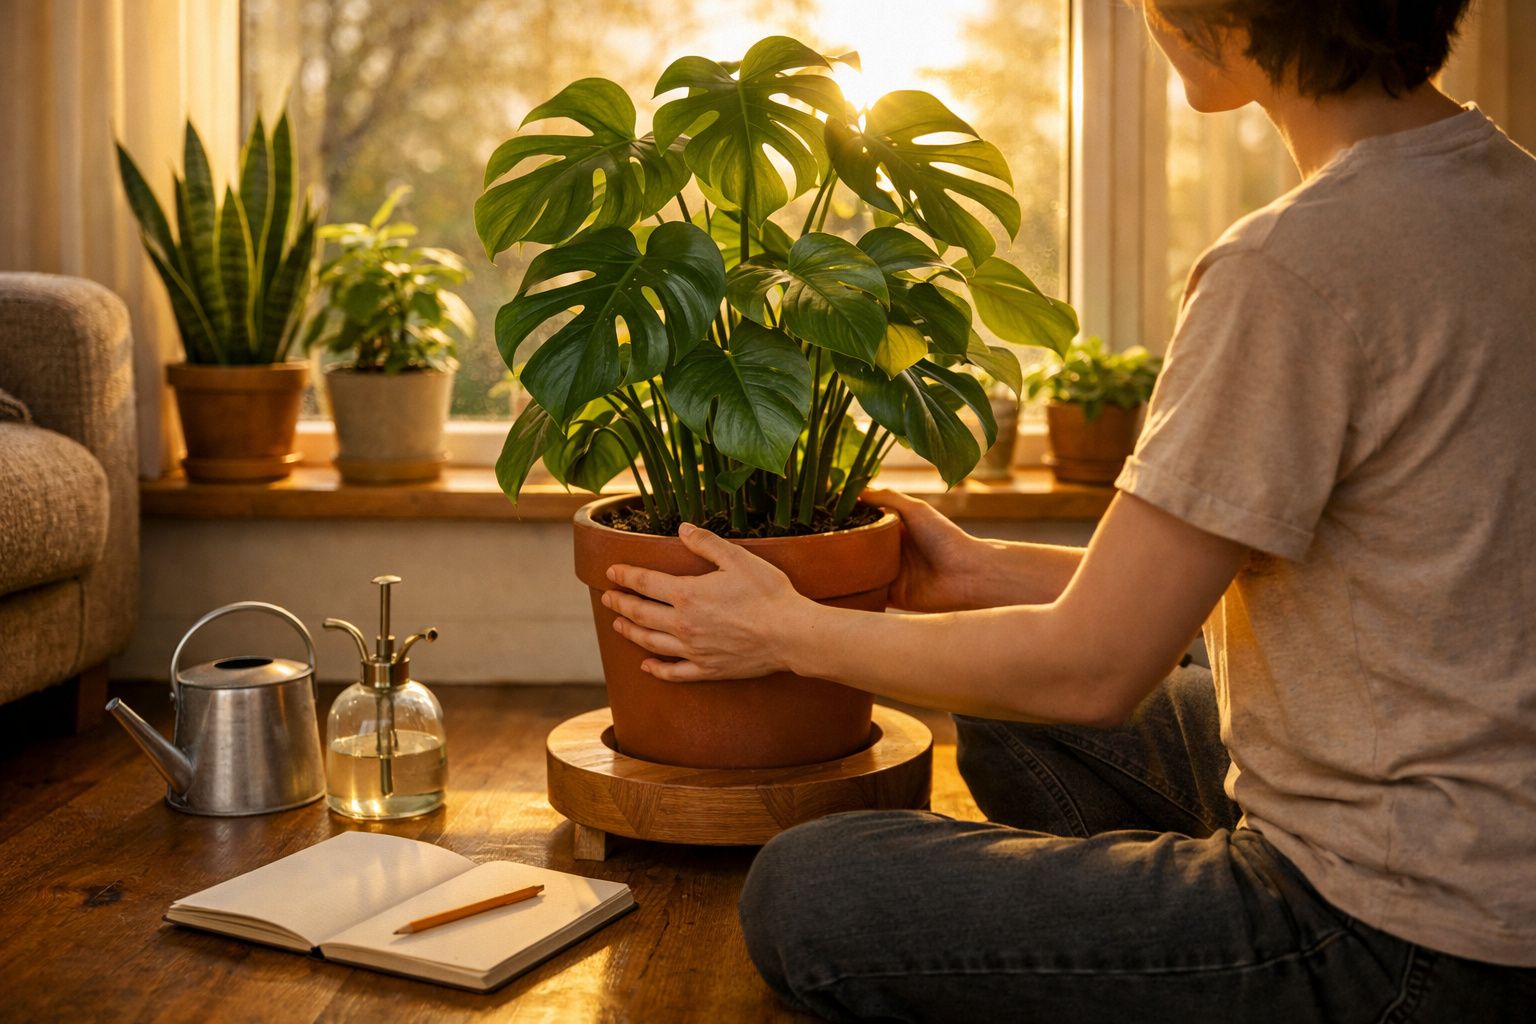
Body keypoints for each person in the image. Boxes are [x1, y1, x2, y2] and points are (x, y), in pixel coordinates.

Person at [600, 0, 1536, 1018]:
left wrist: (785, 630)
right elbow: (1392, 574)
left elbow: (1094, 669)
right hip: (1494, 852)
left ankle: (1204, 946)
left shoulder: (1292, 266)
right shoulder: (1509, 191)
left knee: (811, 888)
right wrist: (983, 577)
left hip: (1396, 935)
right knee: (1009, 722)